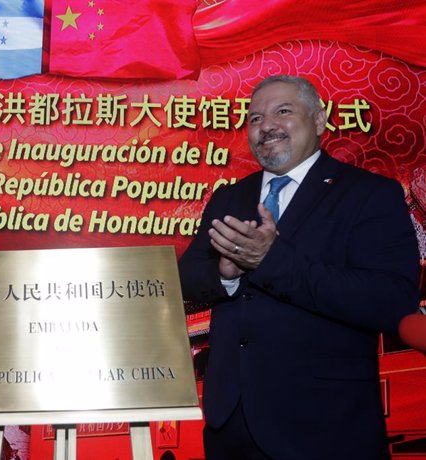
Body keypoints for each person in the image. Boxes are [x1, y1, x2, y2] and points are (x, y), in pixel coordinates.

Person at [178, 75, 420, 459]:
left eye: (283, 112)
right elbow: (185, 278)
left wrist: (270, 261)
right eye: (255, 118)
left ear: (320, 121)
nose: (267, 125)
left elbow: (391, 300)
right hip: (232, 425)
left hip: (326, 424)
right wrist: (225, 274)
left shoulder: (368, 194)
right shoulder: (230, 197)